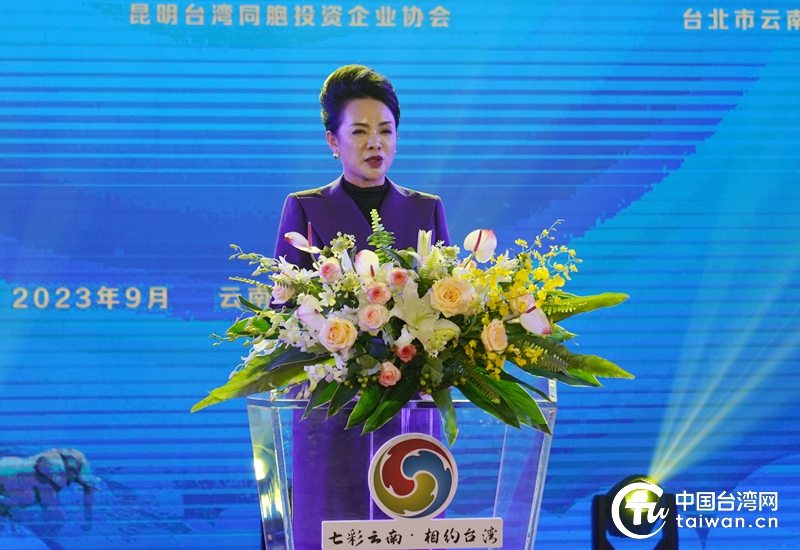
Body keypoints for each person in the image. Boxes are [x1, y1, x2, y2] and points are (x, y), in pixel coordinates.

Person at [266, 65, 449, 550]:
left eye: (386, 131)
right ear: (333, 141)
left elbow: (447, 309)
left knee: (406, 530)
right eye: (360, 131)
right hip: (331, 412)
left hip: (410, 410)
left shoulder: (426, 209)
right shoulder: (306, 208)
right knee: (331, 528)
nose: (375, 143)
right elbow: (281, 313)